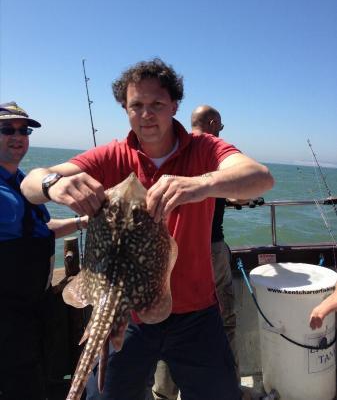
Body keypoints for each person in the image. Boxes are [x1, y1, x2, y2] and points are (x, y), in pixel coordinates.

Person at [21, 58, 274, 400]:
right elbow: (31, 184)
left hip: (196, 312)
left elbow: (261, 177)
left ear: (174, 105)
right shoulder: (111, 155)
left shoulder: (205, 149)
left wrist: (201, 184)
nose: (146, 114)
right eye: (136, 105)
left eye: (156, 104)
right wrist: (52, 184)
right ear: (125, 109)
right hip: (128, 313)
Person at [152, 105, 264, 400]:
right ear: (213, 123)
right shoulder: (213, 152)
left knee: (166, 319)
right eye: (221, 127)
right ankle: (229, 388)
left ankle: (163, 392)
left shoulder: (173, 151)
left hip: (168, 252)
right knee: (223, 320)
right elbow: (240, 189)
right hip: (209, 250)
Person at [0, 101, 88, 400]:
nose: (17, 136)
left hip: (35, 307)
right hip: (6, 314)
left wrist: (83, 221)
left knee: (36, 379)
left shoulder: (24, 181)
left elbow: (41, 229)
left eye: (23, 130)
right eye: (6, 129)